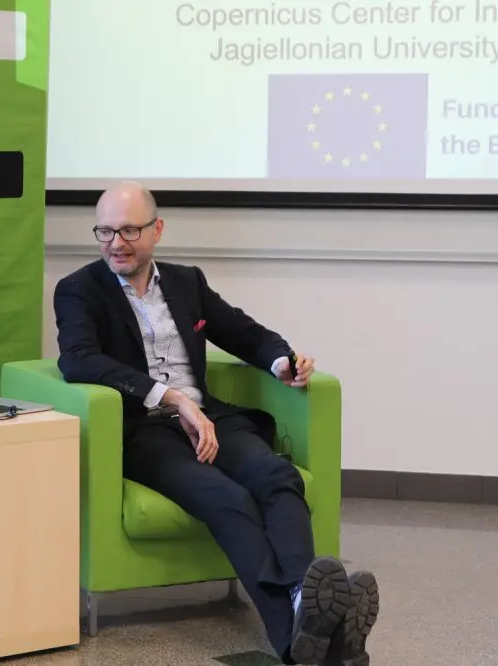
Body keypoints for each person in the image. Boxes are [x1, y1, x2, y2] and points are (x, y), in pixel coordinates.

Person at [52, 181, 379, 665]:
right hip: (145, 429)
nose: (116, 243)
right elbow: (78, 360)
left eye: (129, 230)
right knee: (227, 499)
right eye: (105, 231)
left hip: (211, 419)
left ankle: (303, 607)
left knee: (278, 476)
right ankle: (297, 639)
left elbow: (243, 332)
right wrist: (171, 398)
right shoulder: (79, 289)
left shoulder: (186, 283)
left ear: (157, 230)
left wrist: (281, 361)